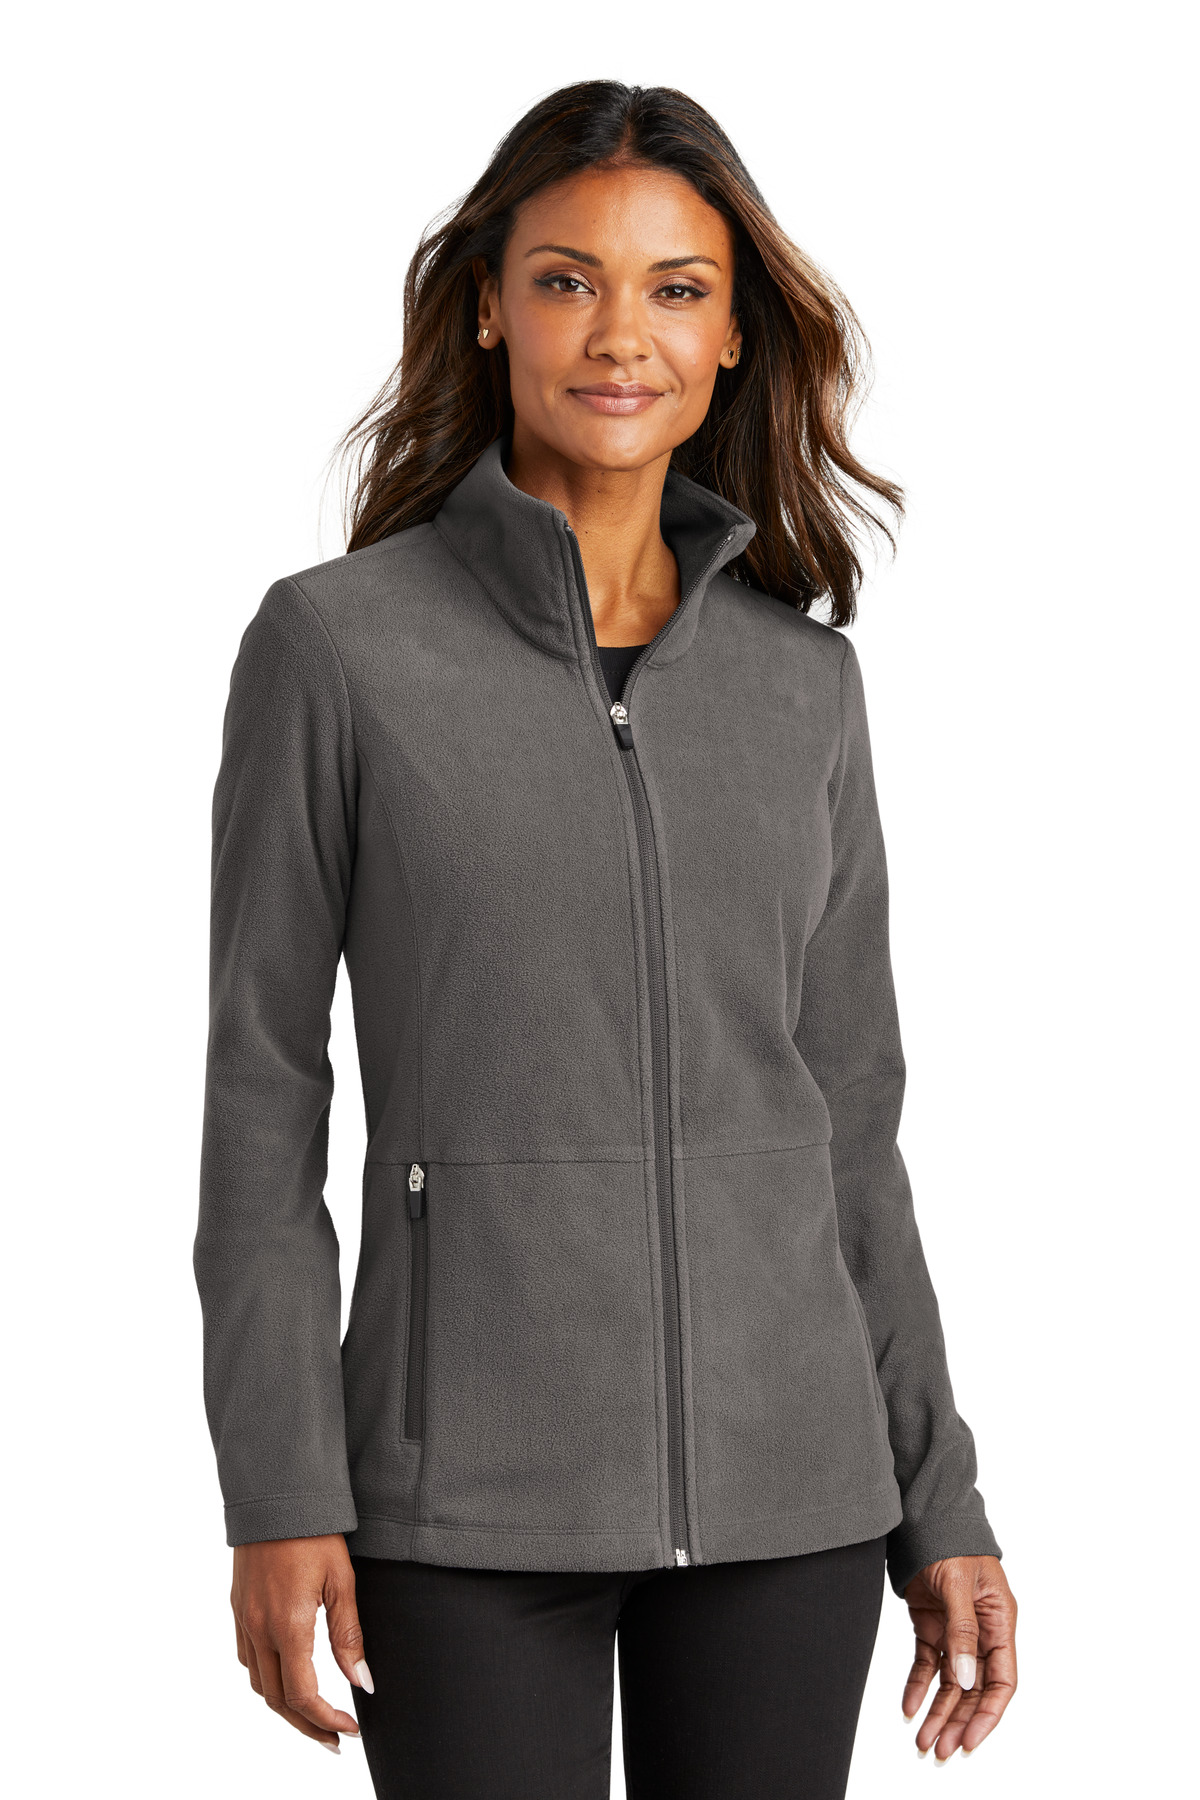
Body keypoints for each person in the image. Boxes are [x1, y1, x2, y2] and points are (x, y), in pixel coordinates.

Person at [195, 79, 1017, 1800]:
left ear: (732, 336)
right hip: (460, 1506)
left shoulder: (802, 687)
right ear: (491, 305)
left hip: (795, 1494)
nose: (621, 334)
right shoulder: (339, 652)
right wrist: (279, 1492)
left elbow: (850, 1126)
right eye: (568, 279)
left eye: (676, 289)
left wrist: (939, 1497)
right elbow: (262, 1106)